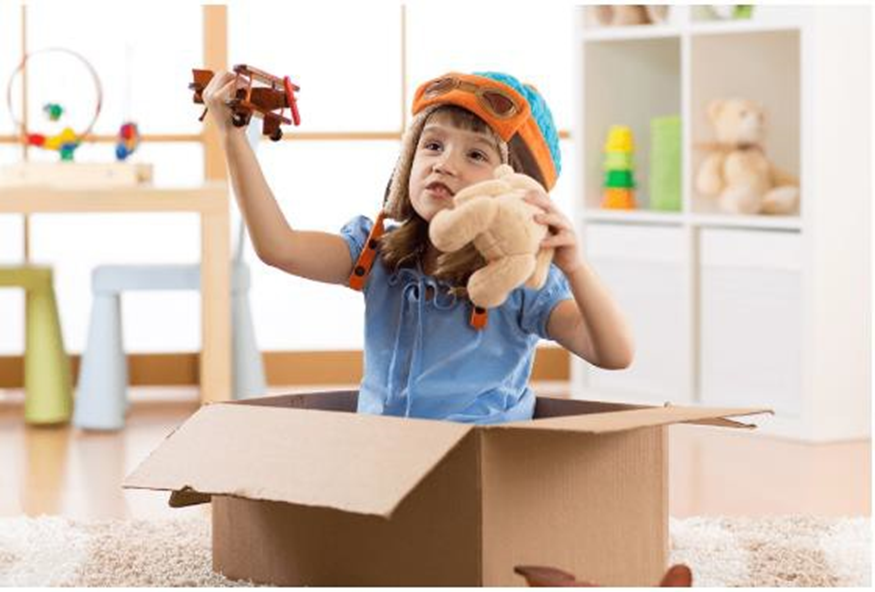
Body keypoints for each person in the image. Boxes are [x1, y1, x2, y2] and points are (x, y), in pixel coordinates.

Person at [202, 70, 634, 424]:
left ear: (514, 186)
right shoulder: (377, 251)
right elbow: (282, 248)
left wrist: (575, 267)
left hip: (482, 463)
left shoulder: (523, 280)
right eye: (432, 145)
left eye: (477, 155)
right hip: (385, 454)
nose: (444, 163)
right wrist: (232, 139)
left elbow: (614, 353)